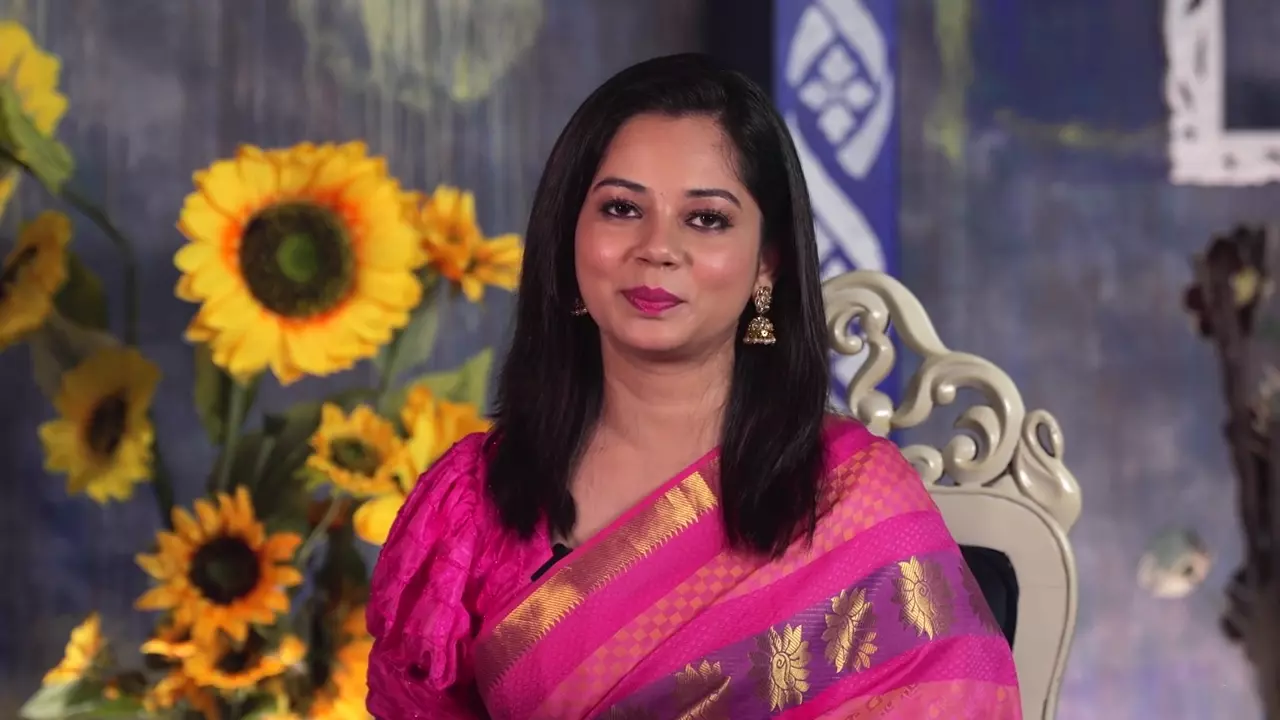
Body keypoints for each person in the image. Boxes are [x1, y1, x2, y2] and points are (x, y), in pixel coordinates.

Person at [366, 53, 1021, 719]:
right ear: (569, 237)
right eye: (622, 208)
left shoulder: (852, 500)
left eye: (706, 218)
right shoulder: (472, 505)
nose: (657, 247)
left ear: (767, 263)